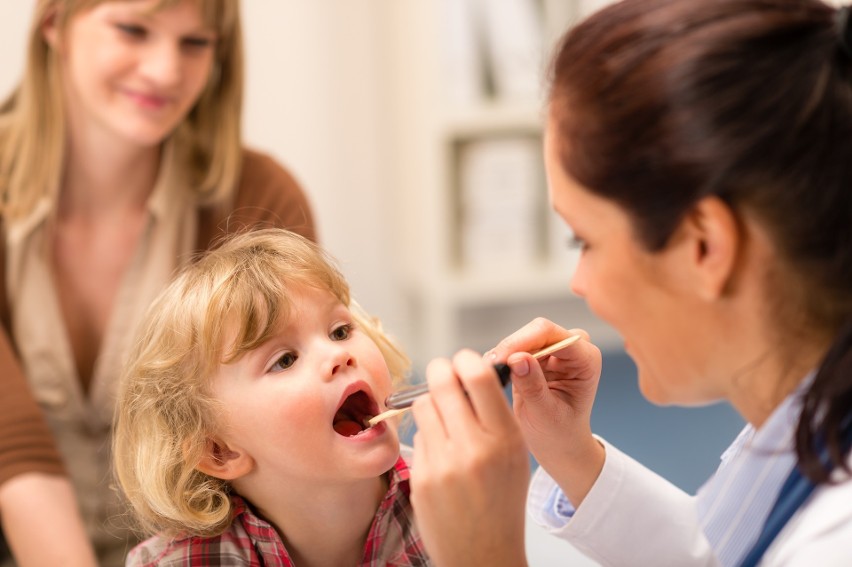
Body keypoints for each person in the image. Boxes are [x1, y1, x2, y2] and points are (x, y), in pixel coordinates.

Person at [408, 0, 852, 565]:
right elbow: (719, 554)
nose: (579, 284)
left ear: (704, 246)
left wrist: (484, 554)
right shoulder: (812, 413)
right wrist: (572, 456)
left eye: (584, 241)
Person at [0, 1, 315, 565]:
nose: (166, 70)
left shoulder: (259, 196)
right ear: (54, 26)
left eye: (195, 44)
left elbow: (285, 443)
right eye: (132, 30)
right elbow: (12, 449)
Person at [112, 228, 428, 566]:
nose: (338, 355)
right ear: (219, 452)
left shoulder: (457, 497)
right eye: (285, 360)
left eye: (340, 331)